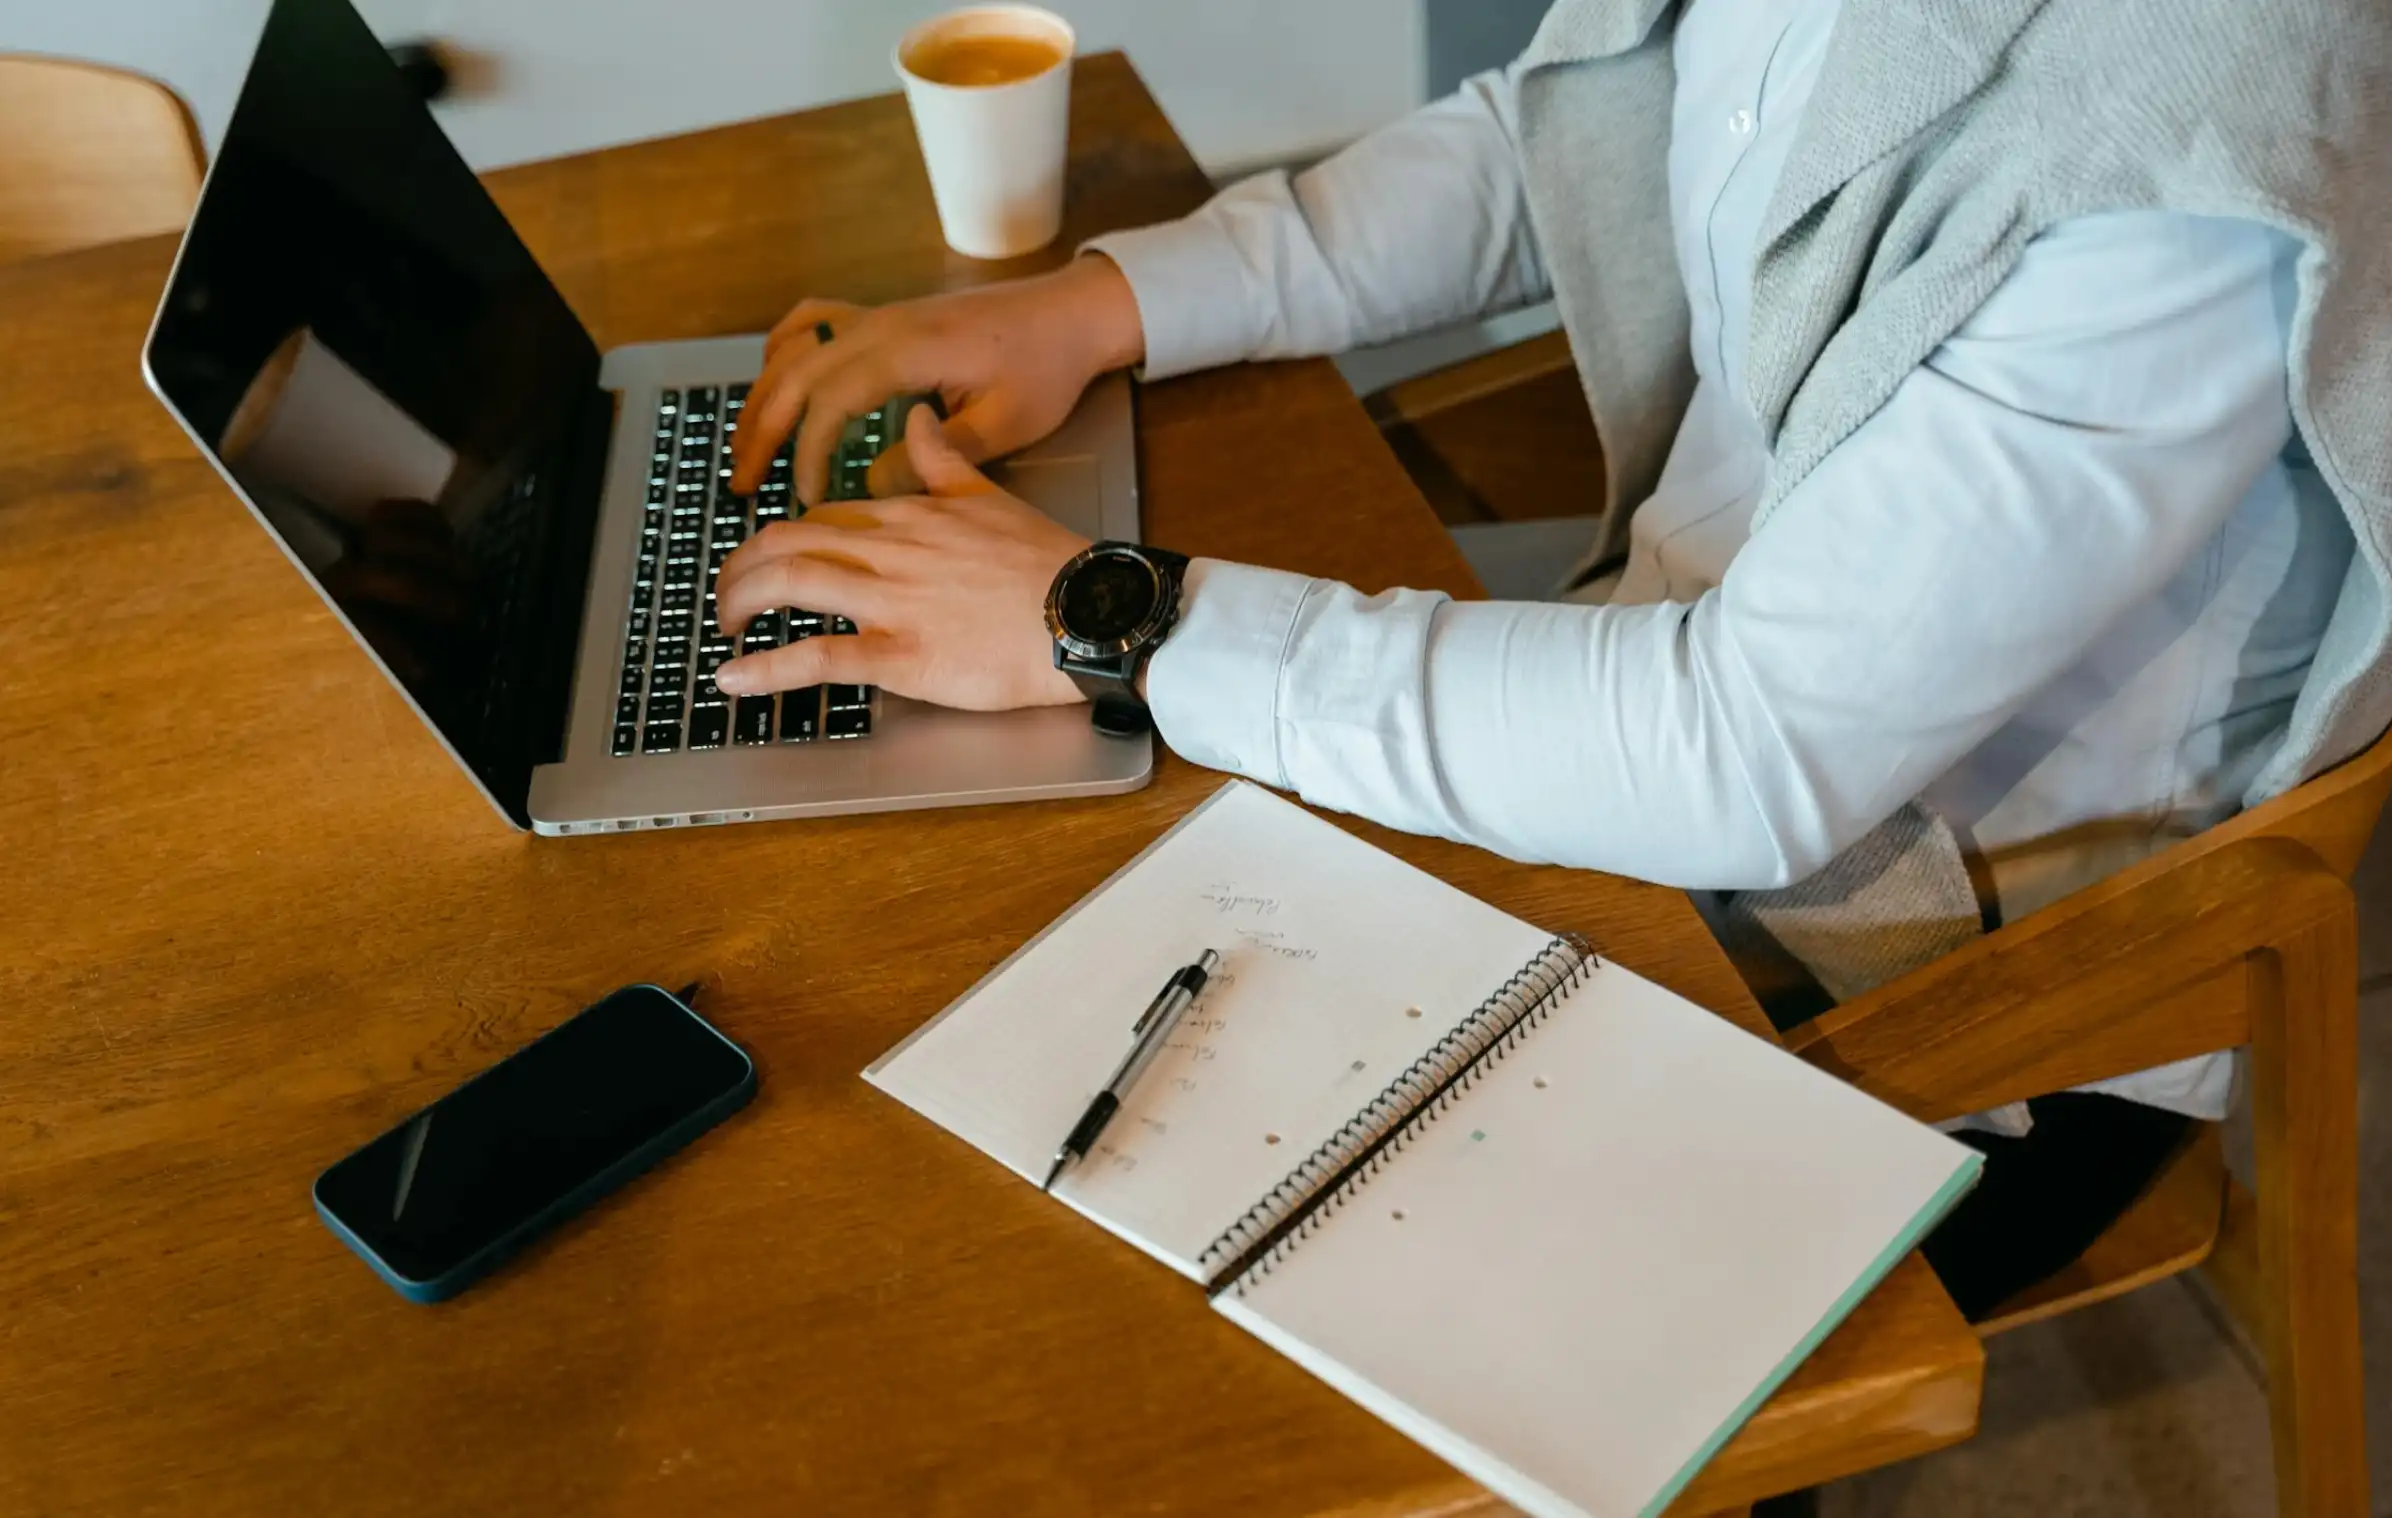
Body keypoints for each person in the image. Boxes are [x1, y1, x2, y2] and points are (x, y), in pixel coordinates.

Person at [714, 0, 2392, 1319]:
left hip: (1949, 986)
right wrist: (1099, 305)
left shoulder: (2204, 123)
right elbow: (1569, 129)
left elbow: (1749, 754)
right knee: (962, 975)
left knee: (1040, 1206)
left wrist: (1115, 617)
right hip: (1660, 730)